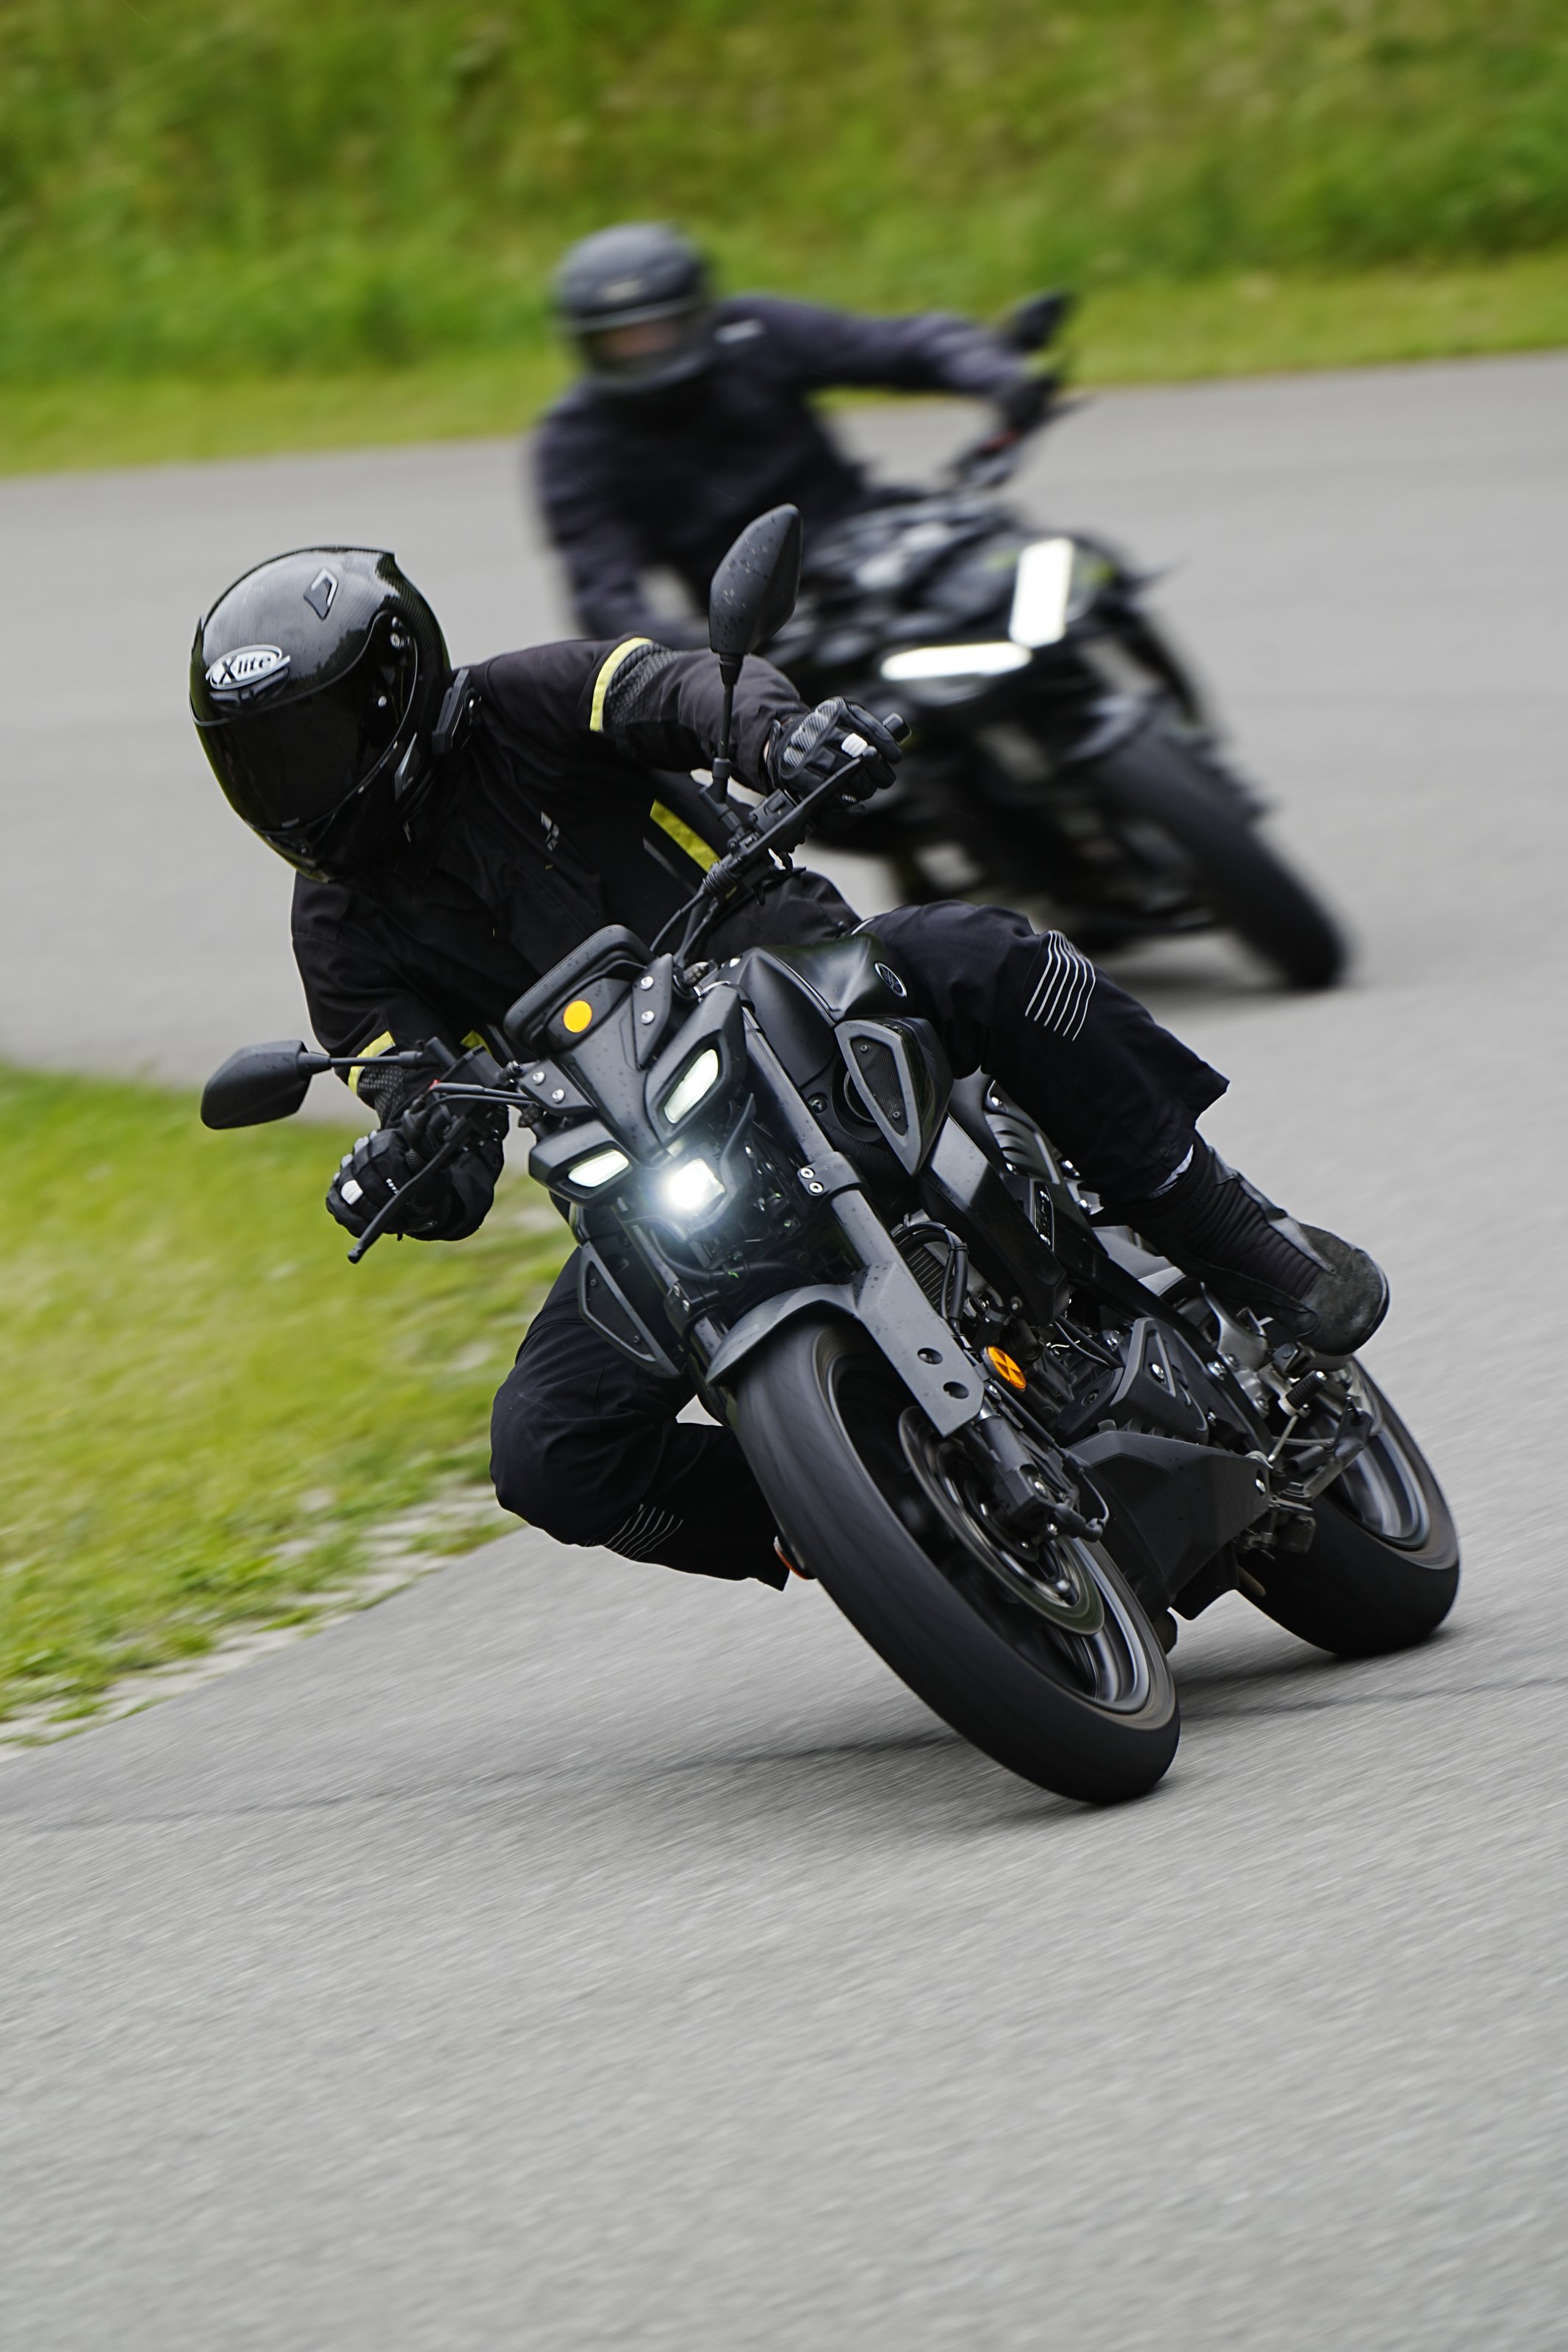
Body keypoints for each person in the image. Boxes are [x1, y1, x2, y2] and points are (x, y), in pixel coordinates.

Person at [190, 545, 1388, 1591]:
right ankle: (841, 1521)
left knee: (987, 953)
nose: (292, 782)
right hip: (641, 1163)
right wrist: (409, 1157)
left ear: (394, 689)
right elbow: (408, 1086)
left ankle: (1233, 1236)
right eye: (259, 760)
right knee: (547, 1455)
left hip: (798, 994)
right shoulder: (336, 927)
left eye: (309, 742)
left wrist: (785, 737)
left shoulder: (524, 701)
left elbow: (680, 692)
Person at [534, 220, 1049, 644]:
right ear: (587, 345)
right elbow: (605, 595)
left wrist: (999, 379)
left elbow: (902, 345)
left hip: (874, 539)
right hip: (772, 625)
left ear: (697, 312)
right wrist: (689, 655)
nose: (643, 352)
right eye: (622, 341)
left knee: (1034, 572)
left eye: (655, 332)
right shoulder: (575, 445)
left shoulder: (756, 334)